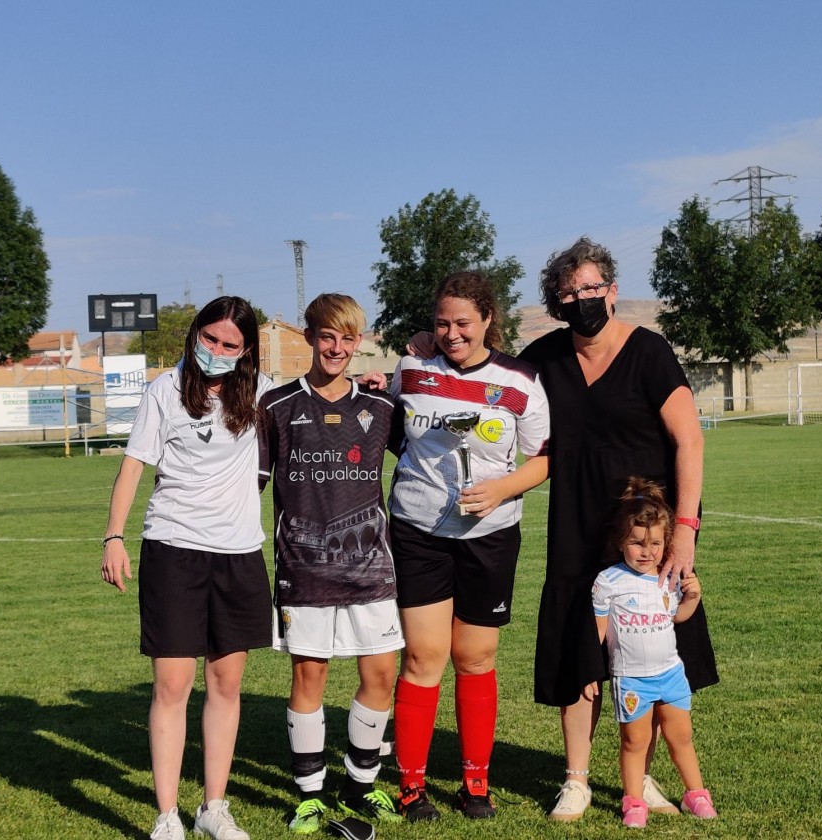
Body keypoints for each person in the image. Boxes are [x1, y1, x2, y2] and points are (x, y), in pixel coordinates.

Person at [518, 237, 718, 822]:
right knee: (582, 649)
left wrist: (684, 530)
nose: (580, 298)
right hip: (576, 522)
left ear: (611, 289)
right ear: (557, 302)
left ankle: (644, 777)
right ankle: (576, 780)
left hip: (648, 529)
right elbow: (490, 377)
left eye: (590, 287)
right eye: (568, 291)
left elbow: (690, 440)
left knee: (649, 652)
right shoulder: (546, 357)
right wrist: (426, 351)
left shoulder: (649, 351)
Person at [101, 296, 273, 840]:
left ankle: (213, 809)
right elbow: (133, 465)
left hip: (240, 552)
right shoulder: (164, 390)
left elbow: (321, 390)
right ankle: (168, 816)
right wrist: (113, 537)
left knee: (226, 682)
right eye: (209, 339)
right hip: (172, 549)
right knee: (172, 685)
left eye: (229, 345)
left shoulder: (262, 392)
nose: (216, 352)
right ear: (194, 334)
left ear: (246, 351)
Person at [389, 271, 550, 821]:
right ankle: (411, 786)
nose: (451, 333)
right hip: (418, 532)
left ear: (487, 321)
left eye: (463, 322)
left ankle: (475, 784)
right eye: (441, 322)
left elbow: (546, 457)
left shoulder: (522, 380)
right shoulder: (411, 367)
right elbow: (393, 436)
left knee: (476, 657)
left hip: (491, 536)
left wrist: (502, 487)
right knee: (423, 656)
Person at [257, 293, 403, 834]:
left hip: (370, 567)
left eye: (348, 338)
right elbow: (251, 484)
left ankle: (360, 785)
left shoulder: (384, 408)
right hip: (305, 568)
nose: (337, 348)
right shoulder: (275, 407)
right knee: (309, 674)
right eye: (327, 337)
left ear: (359, 342)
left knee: (380, 672)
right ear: (310, 338)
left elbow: (425, 457)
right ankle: (310, 795)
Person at [592, 477, 717, 828]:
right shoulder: (608, 583)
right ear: (621, 542)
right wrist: (589, 669)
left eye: (656, 543)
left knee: (681, 738)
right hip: (632, 680)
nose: (647, 551)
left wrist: (692, 597)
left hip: (671, 675)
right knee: (635, 741)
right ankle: (634, 802)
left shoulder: (669, 577)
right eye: (637, 543)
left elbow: (676, 617)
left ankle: (696, 795)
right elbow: (599, 632)